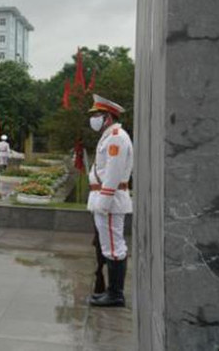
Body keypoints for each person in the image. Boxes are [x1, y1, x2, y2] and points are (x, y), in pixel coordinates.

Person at [86, 94, 133, 308]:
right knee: (108, 245)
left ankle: (115, 295)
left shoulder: (116, 137)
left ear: (108, 117)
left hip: (110, 201)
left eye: (97, 114)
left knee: (114, 247)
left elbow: (113, 174)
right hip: (105, 199)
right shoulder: (109, 136)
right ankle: (111, 291)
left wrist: (103, 204)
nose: (93, 118)